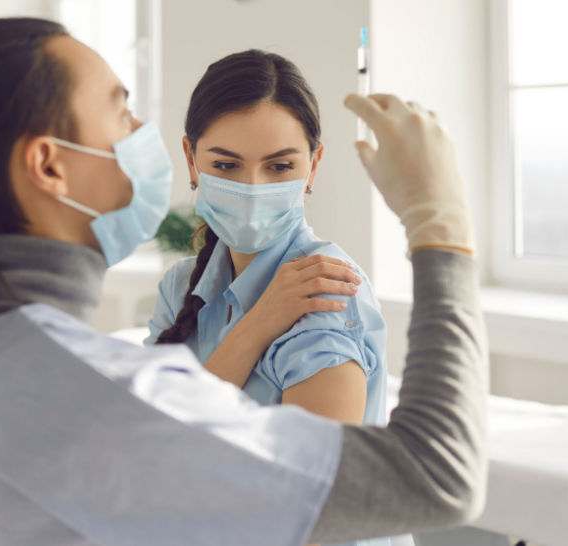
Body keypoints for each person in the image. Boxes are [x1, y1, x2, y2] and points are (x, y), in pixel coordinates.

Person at [0, 18, 486, 545]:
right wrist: (442, 232)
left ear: (310, 165)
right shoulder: (100, 391)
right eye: (121, 114)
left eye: (279, 165)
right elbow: (435, 477)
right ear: (49, 164)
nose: (139, 138)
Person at [145, 48, 403, 546]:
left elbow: (306, 510)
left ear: (313, 165)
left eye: (280, 165)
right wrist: (257, 324)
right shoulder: (181, 288)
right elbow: (153, 450)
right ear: (191, 159)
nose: (252, 187)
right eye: (226, 164)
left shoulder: (326, 294)